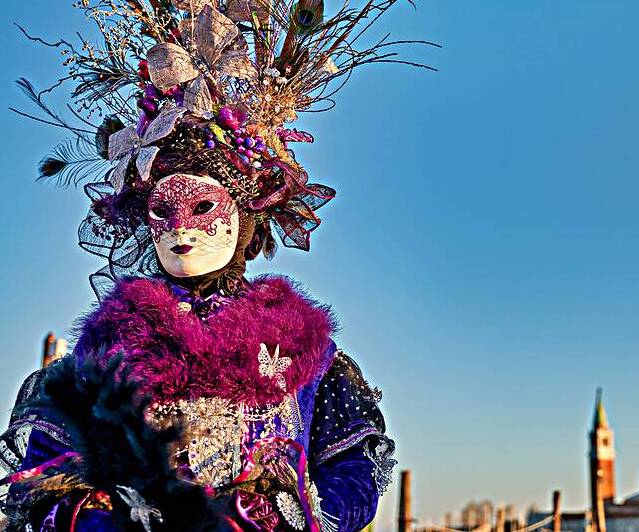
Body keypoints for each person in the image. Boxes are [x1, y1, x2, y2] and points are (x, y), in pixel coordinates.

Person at [0, 1, 429, 529]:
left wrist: (276, 519)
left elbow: (351, 474)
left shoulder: (307, 354)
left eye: (203, 207)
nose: (182, 230)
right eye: (164, 210)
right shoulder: (99, 356)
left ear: (245, 219)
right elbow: (44, 482)